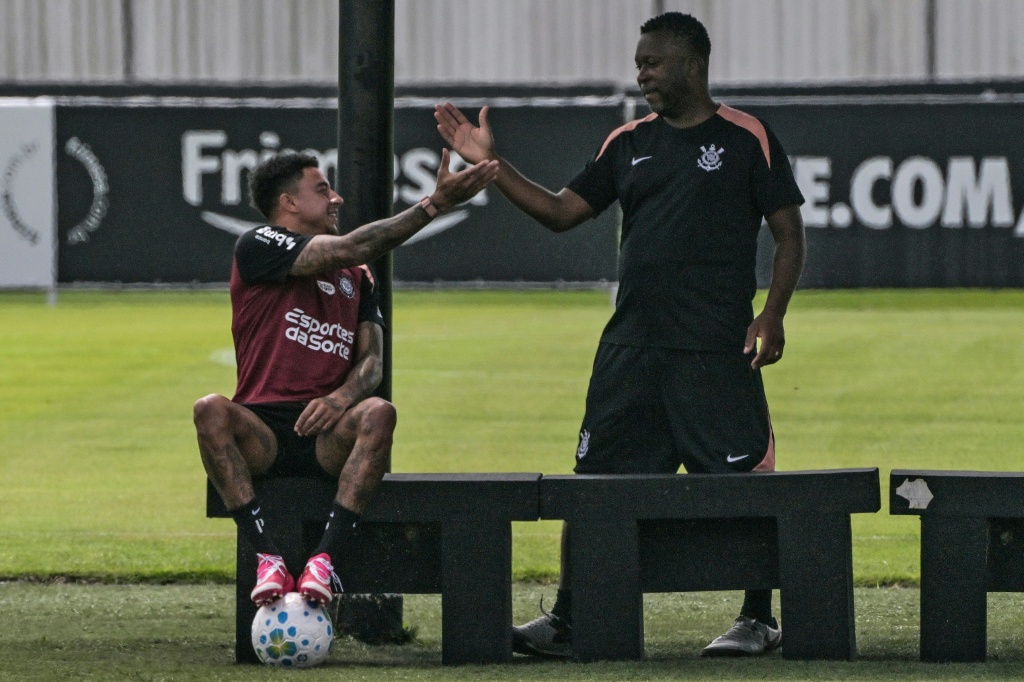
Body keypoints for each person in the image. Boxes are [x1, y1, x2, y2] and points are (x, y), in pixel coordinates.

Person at [435, 12, 805, 658]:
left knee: (742, 479)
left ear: (692, 64)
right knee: (594, 481)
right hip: (631, 349)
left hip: (716, 349)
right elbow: (558, 211)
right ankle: (570, 618)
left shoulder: (748, 138)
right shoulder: (627, 142)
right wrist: (493, 167)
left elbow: (789, 235)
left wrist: (770, 315)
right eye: (638, 63)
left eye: (652, 62)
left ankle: (758, 617)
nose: (641, 73)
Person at [194, 150, 498, 606]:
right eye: (322, 189)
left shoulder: (359, 277)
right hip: (262, 434)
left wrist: (341, 398)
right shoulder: (257, 245)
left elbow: (372, 363)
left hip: (327, 435)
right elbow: (352, 246)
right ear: (289, 203)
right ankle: (268, 558)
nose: (336, 198)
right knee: (209, 409)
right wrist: (432, 205)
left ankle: (325, 562)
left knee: (379, 413)